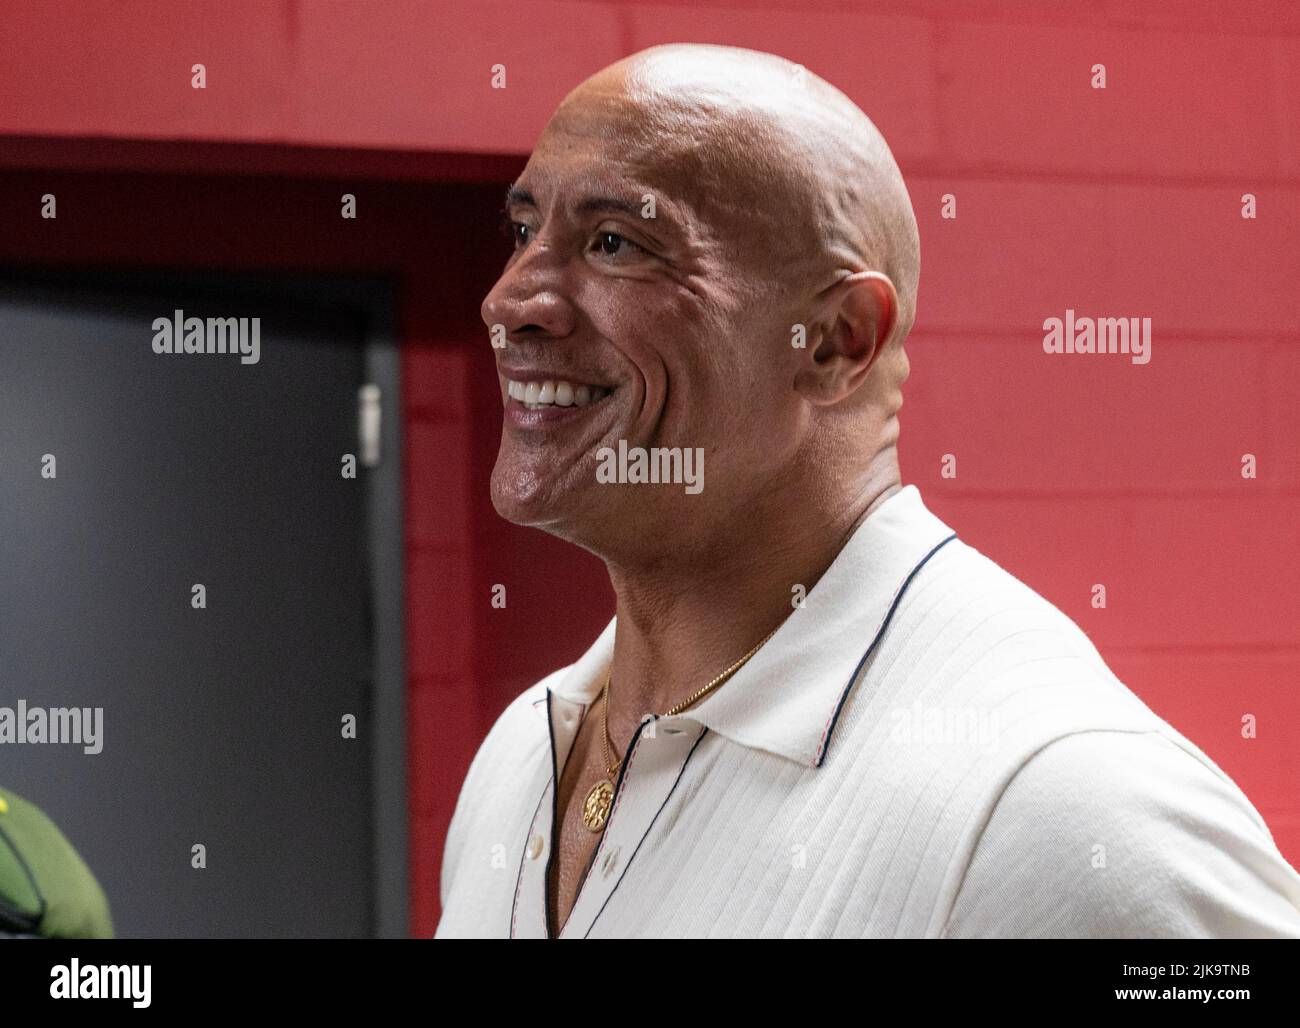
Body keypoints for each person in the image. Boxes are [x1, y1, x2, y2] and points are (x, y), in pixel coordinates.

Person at [435, 43, 1300, 938]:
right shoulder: (521, 758)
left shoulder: (1061, 809)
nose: (511, 300)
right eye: (524, 230)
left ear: (837, 340)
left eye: (615, 244)